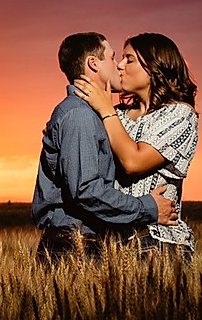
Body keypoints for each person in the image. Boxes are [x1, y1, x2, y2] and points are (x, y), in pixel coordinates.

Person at [32, 31, 178, 261]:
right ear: (93, 63)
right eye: (112, 58)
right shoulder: (80, 116)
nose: (119, 65)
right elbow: (86, 190)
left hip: (81, 243)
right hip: (73, 245)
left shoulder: (91, 115)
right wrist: (147, 208)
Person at [73, 32, 198, 259]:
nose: (119, 65)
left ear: (154, 67)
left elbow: (133, 161)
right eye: (120, 58)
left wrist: (105, 109)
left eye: (129, 59)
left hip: (159, 242)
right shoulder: (116, 115)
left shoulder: (180, 114)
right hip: (112, 245)